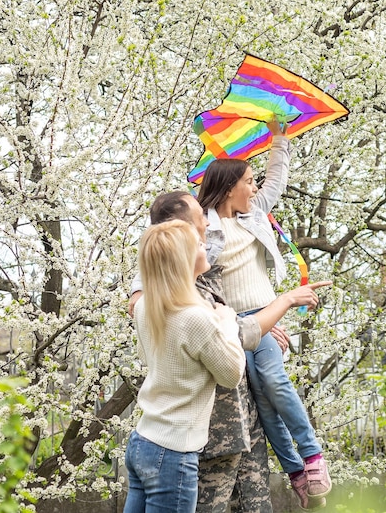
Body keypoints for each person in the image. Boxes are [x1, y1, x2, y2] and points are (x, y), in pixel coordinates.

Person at [129, 191, 331, 512]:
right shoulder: (184, 304)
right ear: (181, 237)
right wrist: (263, 312)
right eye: (200, 219)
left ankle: (299, 467)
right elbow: (231, 362)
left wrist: (250, 322)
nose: (208, 224)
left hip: (225, 430)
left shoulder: (182, 291)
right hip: (205, 439)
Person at [197, 119, 332, 510]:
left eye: (254, 181)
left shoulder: (254, 212)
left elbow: (277, 179)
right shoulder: (202, 227)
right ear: (229, 187)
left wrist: (279, 138)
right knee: (262, 401)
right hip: (232, 326)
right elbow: (195, 284)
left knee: (274, 381)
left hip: (265, 315)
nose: (255, 187)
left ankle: (311, 457)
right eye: (248, 181)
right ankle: (295, 473)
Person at [123, 219, 246, 513]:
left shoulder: (146, 306)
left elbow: (145, 355)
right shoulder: (195, 318)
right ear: (184, 259)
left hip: (143, 441)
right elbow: (231, 375)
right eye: (199, 244)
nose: (206, 245)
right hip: (173, 453)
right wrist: (228, 324)